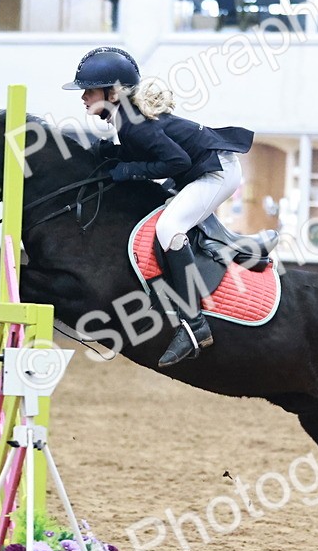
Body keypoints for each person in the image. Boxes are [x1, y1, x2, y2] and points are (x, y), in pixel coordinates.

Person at [64, 47, 267, 367]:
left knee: (169, 228)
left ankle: (194, 324)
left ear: (113, 92)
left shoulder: (135, 124)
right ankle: (244, 247)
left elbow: (176, 161)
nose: (84, 96)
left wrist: (128, 170)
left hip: (216, 172)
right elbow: (141, 155)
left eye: (89, 89)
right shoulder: (126, 120)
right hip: (204, 167)